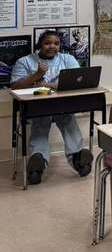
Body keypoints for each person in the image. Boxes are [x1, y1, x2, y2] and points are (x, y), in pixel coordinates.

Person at [10, 29, 92, 184]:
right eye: (47, 43)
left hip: (62, 103)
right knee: (41, 123)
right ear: (40, 44)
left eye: (56, 43)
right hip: (36, 106)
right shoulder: (25, 61)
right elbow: (15, 86)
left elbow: (78, 80)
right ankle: (37, 162)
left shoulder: (67, 59)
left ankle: (78, 158)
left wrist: (46, 83)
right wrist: (36, 76)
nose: (52, 46)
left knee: (67, 119)